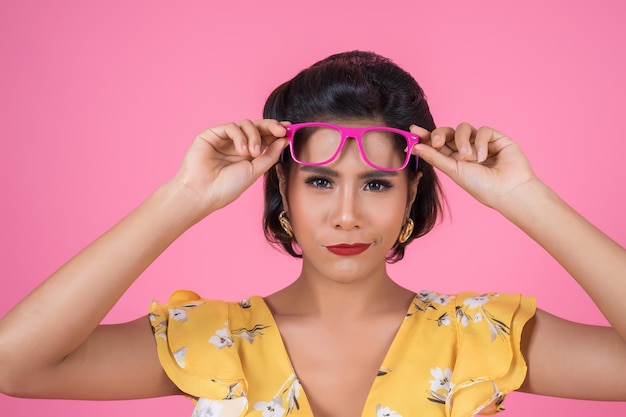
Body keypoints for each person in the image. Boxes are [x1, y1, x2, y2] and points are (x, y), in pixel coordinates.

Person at [0, 51, 624, 417]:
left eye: (376, 185)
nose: (346, 215)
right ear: (283, 198)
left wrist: (524, 198)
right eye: (320, 183)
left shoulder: (479, 337)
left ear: (413, 196)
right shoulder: (213, 340)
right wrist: (181, 199)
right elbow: (17, 364)